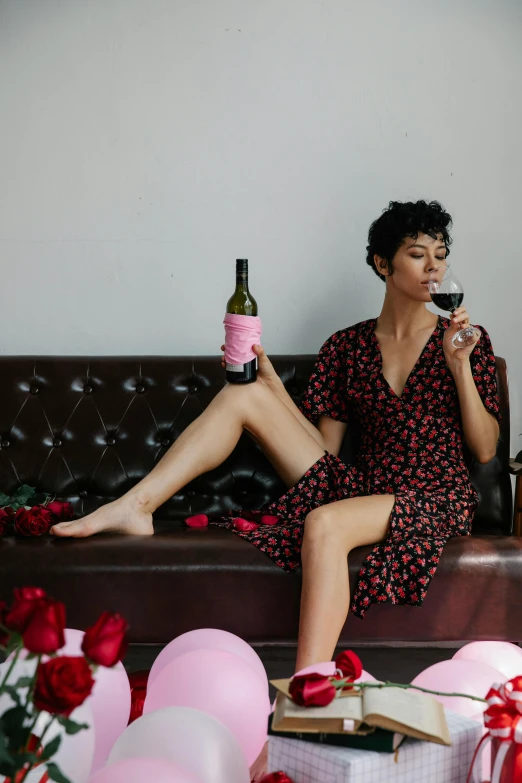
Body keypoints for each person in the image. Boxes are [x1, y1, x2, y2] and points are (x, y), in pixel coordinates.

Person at [50, 200, 500, 779]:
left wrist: (460, 367)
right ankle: (137, 505)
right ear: (381, 264)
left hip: (433, 493)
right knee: (243, 395)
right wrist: (268, 386)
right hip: (365, 484)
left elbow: (484, 449)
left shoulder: (464, 340)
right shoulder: (347, 346)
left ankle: (298, 707)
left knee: (325, 523)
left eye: (440, 256)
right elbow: (323, 452)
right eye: (417, 254)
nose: (432, 267)